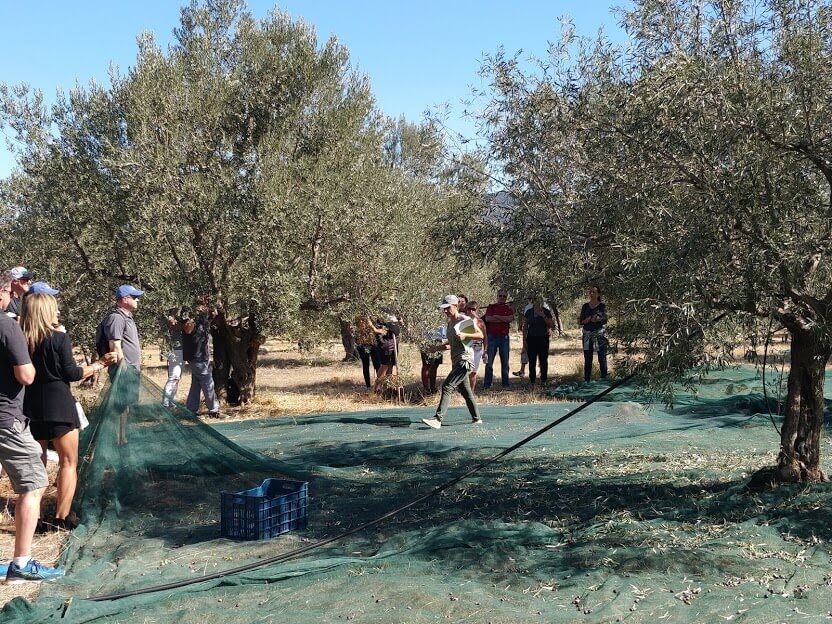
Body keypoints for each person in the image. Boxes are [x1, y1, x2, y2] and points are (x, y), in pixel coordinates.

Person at [19, 287, 116, 531]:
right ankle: (62, 518)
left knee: (35, 466)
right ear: (46, 311)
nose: (58, 311)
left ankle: (36, 520)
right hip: (59, 405)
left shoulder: (19, 339)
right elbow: (71, 373)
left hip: (29, 407)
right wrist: (99, 364)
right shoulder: (59, 338)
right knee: (68, 463)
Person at [0, 271, 65, 583]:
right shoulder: (6, 325)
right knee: (34, 485)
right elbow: (26, 375)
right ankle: (22, 563)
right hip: (7, 418)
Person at [421, 295, 483, 429]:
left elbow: (480, 335)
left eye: (447, 308)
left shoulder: (464, 320)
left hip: (465, 360)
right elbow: (450, 344)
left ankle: (437, 419)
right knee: (466, 391)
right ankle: (477, 419)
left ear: (455, 306)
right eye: (443, 309)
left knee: (447, 386)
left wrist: (466, 335)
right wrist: (435, 348)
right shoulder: (450, 324)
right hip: (456, 361)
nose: (445, 311)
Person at [95, 284, 144, 444]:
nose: (137, 300)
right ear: (125, 299)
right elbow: (115, 346)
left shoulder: (127, 316)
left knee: (125, 405)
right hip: (124, 369)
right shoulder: (116, 317)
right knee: (118, 407)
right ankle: (116, 439)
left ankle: (122, 438)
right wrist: (123, 370)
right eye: (134, 297)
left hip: (131, 369)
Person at [182, 297, 221, 417]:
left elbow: (214, 315)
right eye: (201, 304)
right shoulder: (190, 317)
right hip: (195, 355)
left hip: (202, 355)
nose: (204, 307)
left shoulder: (204, 318)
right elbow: (188, 330)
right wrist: (192, 317)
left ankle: (191, 409)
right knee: (207, 381)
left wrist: (213, 311)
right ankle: (214, 410)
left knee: (196, 383)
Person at [483, 290, 514, 388]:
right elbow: (488, 319)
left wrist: (497, 317)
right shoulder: (491, 307)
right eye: (500, 296)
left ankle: (505, 384)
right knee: (489, 362)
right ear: (497, 296)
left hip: (504, 337)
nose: (502, 297)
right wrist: (503, 318)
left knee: (505, 361)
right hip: (492, 336)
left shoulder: (508, 307)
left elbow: (510, 318)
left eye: (504, 296)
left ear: (506, 297)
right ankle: (487, 384)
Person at [579, 285, 609, 381]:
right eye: (590, 292)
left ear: (598, 294)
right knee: (588, 359)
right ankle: (587, 380)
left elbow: (604, 319)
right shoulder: (585, 306)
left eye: (594, 292)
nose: (591, 294)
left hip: (599, 335)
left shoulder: (602, 306)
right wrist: (589, 320)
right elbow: (581, 321)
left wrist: (595, 319)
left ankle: (604, 379)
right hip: (587, 335)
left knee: (602, 357)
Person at [523, 297, 554, 385]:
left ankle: (543, 380)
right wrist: (524, 340)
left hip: (543, 338)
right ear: (532, 302)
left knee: (543, 359)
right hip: (531, 338)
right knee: (532, 360)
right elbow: (525, 326)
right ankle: (532, 380)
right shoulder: (529, 312)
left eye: (539, 301)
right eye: (535, 301)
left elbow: (552, 325)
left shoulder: (546, 311)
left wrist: (543, 315)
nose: (536, 303)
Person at [161, 307, 185, 407]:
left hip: (180, 349)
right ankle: (165, 403)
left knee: (177, 377)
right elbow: (177, 326)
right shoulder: (169, 319)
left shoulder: (177, 318)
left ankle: (172, 401)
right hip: (175, 350)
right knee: (174, 377)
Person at [370, 315, 399, 394]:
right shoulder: (379, 313)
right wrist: (374, 328)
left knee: (390, 365)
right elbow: (378, 329)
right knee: (385, 365)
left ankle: (387, 388)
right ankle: (377, 388)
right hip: (385, 343)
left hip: (393, 341)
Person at [465, 301, 488, 391]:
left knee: (473, 372)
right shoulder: (463, 320)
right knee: (465, 372)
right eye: (469, 309)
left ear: (477, 310)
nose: (471, 311)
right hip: (466, 349)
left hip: (477, 350)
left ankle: (471, 392)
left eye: (473, 309)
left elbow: (485, 337)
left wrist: (485, 351)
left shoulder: (480, 322)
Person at [354, 316, 381, 390]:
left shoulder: (374, 316)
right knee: (366, 365)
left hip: (373, 343)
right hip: (362, 344)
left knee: (377, 365)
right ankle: (368, 386)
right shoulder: (357, 316)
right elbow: (355, 328)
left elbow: (379, 328)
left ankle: (379, 386)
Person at [419, 325, 445, 394]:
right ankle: (426, 389)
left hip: (438, 340)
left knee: (435, 365)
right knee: (426, 365)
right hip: (426, 340)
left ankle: (432, 388)